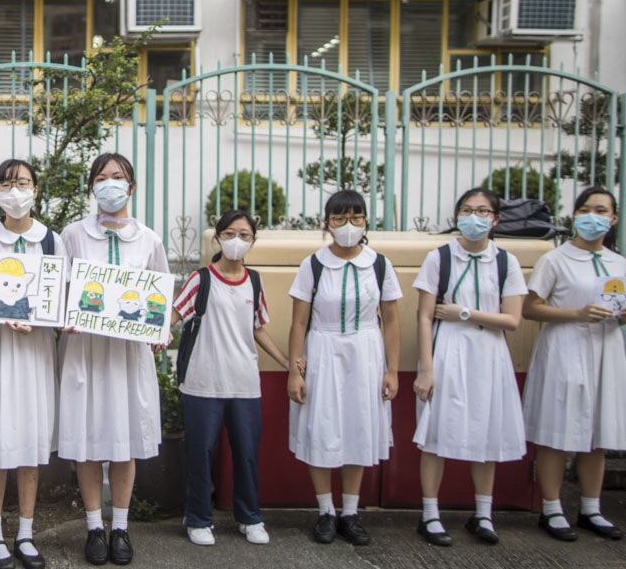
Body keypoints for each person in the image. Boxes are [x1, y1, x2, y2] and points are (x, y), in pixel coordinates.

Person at [58, 153, 169, 566]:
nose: (109, 184)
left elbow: (160, 298)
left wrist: (161, 329)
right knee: (87, 441)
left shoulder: (149, 239)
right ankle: (93, 529)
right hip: (86, 351)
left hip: (127, 355)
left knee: (124, 444)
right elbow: (61, 292)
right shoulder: (73, 235)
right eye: (101, 178)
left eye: (117, 177)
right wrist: (64, 318)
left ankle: (120, 528)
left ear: (132, 186)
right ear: (92, 188)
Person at [411, 188, 528, 546]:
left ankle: (483, 514)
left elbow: (512, 320)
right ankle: (430, 514)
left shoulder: (506, 262)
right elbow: (425, 315)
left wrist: (463, 312)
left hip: (489, 355)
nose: (473, 217)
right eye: (466, 210)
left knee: (486, 431)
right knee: (435, 435)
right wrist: (426, 370)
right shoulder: (439, 258)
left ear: (495, 219)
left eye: (482, 211)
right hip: (448, 350)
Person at [0, 159, 66, 569]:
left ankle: (25, 533)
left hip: (35, 355)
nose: (15, 190)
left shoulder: (53, 241)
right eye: (7, 184)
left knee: (29, 445)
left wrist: (43, 320)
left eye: (22, 182)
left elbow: (60, 304)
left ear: (36, 190)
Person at [287, 190, 401, 546]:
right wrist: (295, 370)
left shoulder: (379, 264)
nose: (347, 225)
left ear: (366, 221)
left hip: (367, 352)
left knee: (358, 427)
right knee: (322, 428)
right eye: (338, 218)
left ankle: (350, 512)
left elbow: (393, 321)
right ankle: (325, 511)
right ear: (327, 223)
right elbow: (298, 323)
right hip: (323, 350)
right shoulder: (314, 264)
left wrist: (392, 370)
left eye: (355, 217)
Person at [171, 210, 287, 547]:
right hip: (202, 381)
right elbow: (175, 315)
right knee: (200, 453)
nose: (238, 240)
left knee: (247, 454)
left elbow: (258, 327)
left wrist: (285, 363)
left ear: (253, 240)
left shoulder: (254, 281)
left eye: (245, 235)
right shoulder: (201, 279)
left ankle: (250, 517)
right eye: (231, 233)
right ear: (218, 238)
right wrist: (155, 334)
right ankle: (197, 518)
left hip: (244, 383)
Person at [522, 186, 626, 542]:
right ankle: (551, 509)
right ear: (575, 216)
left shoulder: (619, 263)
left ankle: (591, 508)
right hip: (565, 348)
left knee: (598, 432)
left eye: (601, 210)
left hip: (605, 350)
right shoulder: (555, 259)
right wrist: (577, 313)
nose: (592, 216)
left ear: (613, 220)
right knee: (557, 430)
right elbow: (530, 308)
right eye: (585, 209)